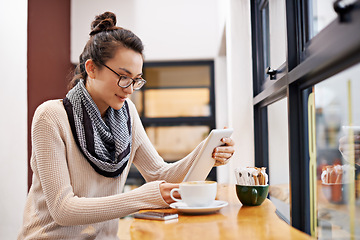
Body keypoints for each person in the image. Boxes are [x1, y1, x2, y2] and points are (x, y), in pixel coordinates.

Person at [18, 12, 235, 239]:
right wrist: (146, 196)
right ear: (91, 68)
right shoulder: (51, 116)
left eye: (136, 80)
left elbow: (160, 174)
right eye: (123, 76)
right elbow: (63, 209)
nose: (130, 89)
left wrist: (207, 150)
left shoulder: (127, 113)